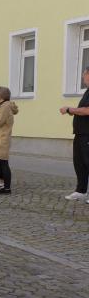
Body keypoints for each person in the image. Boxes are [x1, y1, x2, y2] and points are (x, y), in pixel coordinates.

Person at [61, 67, 89, 202]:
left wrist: (69, 109)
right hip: (80, 133)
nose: (83, 77)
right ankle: (81, 191)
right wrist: (72, 111)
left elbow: (87, 110)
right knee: (79, 163)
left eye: (84, 74)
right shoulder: (87, 92)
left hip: (87, 134)